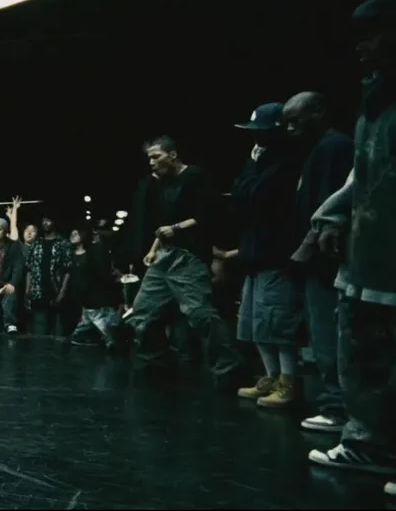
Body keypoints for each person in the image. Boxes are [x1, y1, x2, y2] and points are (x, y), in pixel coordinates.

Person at [306, 0, 396, 493]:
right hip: (368, 256)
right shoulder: (374, 102)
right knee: (363, 352)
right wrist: (331, 215)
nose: (362, 47)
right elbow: (363, 174)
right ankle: (370, 444)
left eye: (373, 35)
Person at [125, 135, 240, 386]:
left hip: (188, 256)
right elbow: (163, 225)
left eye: (156, 157)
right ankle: (156, 361)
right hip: (165, 255)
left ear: (173, 155)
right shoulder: (161, 184)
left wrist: (176, 229)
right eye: (149, 158)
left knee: (199, 314)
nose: (151, 162)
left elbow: (208, 214)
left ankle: (228, 367)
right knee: (144, 312)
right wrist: (154, 249)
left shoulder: (195, 177)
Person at [228, 103, 306, 408]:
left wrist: (253, 168)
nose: (256, 138)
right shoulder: (258, 161)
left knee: (278, 322)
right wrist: (252, 167)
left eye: (261, 132)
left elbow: (257, 195)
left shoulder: (288, 162)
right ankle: (272, 376)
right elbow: (238, 197)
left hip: (276, 253)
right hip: (256, 254)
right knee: (256, 323)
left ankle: (289, 382)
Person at [285, 91, 354, 432]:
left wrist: (306, 248)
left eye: (295, 120)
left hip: (324, 260)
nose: (289, 128)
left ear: (318, 112)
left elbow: (329, 205)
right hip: (321, 259)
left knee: (327, 332)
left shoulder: (333, 147)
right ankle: (337, 404)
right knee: (325, 331)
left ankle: (336, 407)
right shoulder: (325, 148)